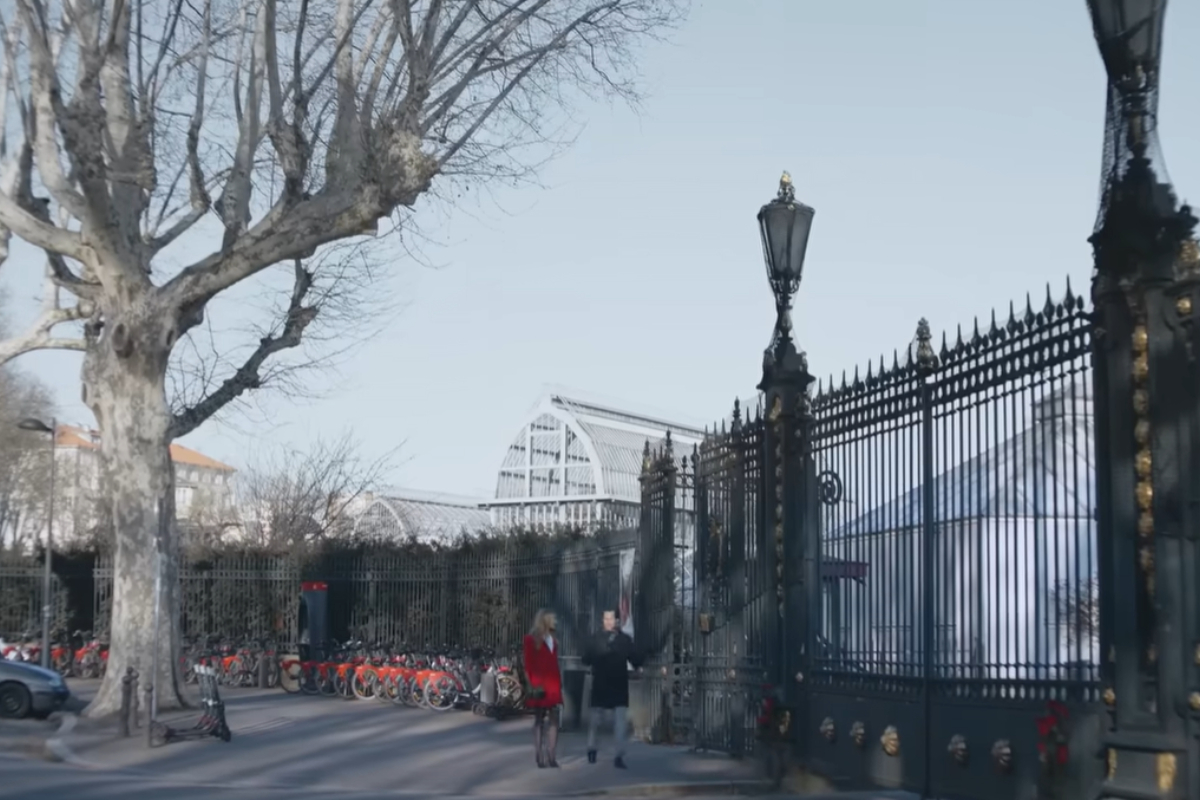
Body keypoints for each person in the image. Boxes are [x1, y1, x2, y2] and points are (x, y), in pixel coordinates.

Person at [581, 609, 643, 769]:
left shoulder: (624, 640)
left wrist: (641, 660)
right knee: (595, 721)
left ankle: (618, 755)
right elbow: (585, 658)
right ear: (602, 620)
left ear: (616, 620)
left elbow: (635, 658)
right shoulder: (595, 639)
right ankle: (592, 748)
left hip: (618, 685)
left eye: (611, 618)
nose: (608, 621)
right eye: (606, 619)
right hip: (602, 684)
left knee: (619, 723)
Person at [522, 609, 563, 768]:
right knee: (540, 719)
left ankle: (551, 755)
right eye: (553, 619)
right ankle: (540, 755)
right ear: (545, 620)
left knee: (552, 719)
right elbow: (528, 664)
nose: (555, 622)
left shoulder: (553, 640)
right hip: (539, 684)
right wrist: (531, 683)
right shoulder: (531, 640)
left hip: (553, 683)